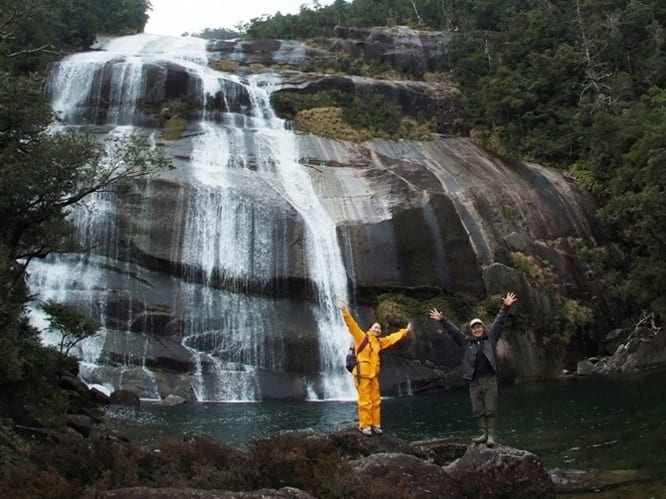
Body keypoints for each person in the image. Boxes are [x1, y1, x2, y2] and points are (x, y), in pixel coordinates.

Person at [429, 292, 517, 446]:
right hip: (473, 381)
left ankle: (492, 435)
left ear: (483, 328)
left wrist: (505, 307)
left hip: (489, 379)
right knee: (478, 409)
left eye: (479, 327)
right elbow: (454, 332)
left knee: (490, 408)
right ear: (471, 330)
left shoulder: (490, 338)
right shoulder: (467, 343)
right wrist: (442, 320)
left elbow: (499, 321)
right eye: (474, 328)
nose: (477, 330)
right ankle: (483, 433)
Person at [336, 300, 413, 436]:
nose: (377, 330)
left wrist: (405, 331)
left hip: (373, 375)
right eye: (375, 328)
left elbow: (391, 338)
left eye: (379, 329)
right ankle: (364, 425)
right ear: (370, 329)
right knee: (365, 401)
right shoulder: (362, 337)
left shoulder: (379, 342)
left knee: (376, 401)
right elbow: (352, 326)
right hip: (362, 374)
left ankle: (375, 424)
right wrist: (344, 311)